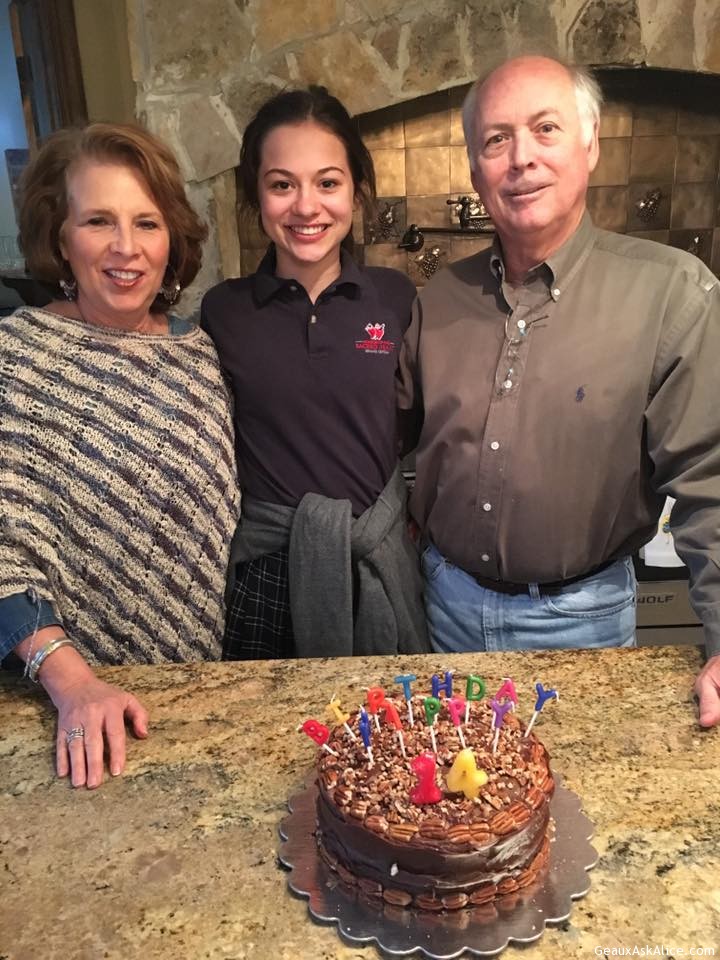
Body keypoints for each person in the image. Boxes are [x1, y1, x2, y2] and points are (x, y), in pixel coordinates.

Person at [397, 56, 720, 727]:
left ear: (590, 140)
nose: (521, 159)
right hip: (445, 609)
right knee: (453, 813)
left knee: (578, 818)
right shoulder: (439, 299)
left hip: (584, 620)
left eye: (546, 129)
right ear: (474, 165)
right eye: (496, 139)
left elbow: (711, 480)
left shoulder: (672, 294)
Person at [0, 123, 241, 788]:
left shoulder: (197, 353)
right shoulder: (18, 358)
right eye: (99, 221)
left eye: (147, 222)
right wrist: (75, 684)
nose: (127, 248)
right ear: (60, 237)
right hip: (60, 708)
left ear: (173, 241)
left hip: (195, 689)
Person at [201, 87, 428, 660]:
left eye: (327, 182)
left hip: (373, 565)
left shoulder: (396, 300)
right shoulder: (223, 311)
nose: (306, 207)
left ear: (356, 191)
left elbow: (420, 424)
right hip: (269, 574)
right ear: (257, 196)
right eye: (282, 184)